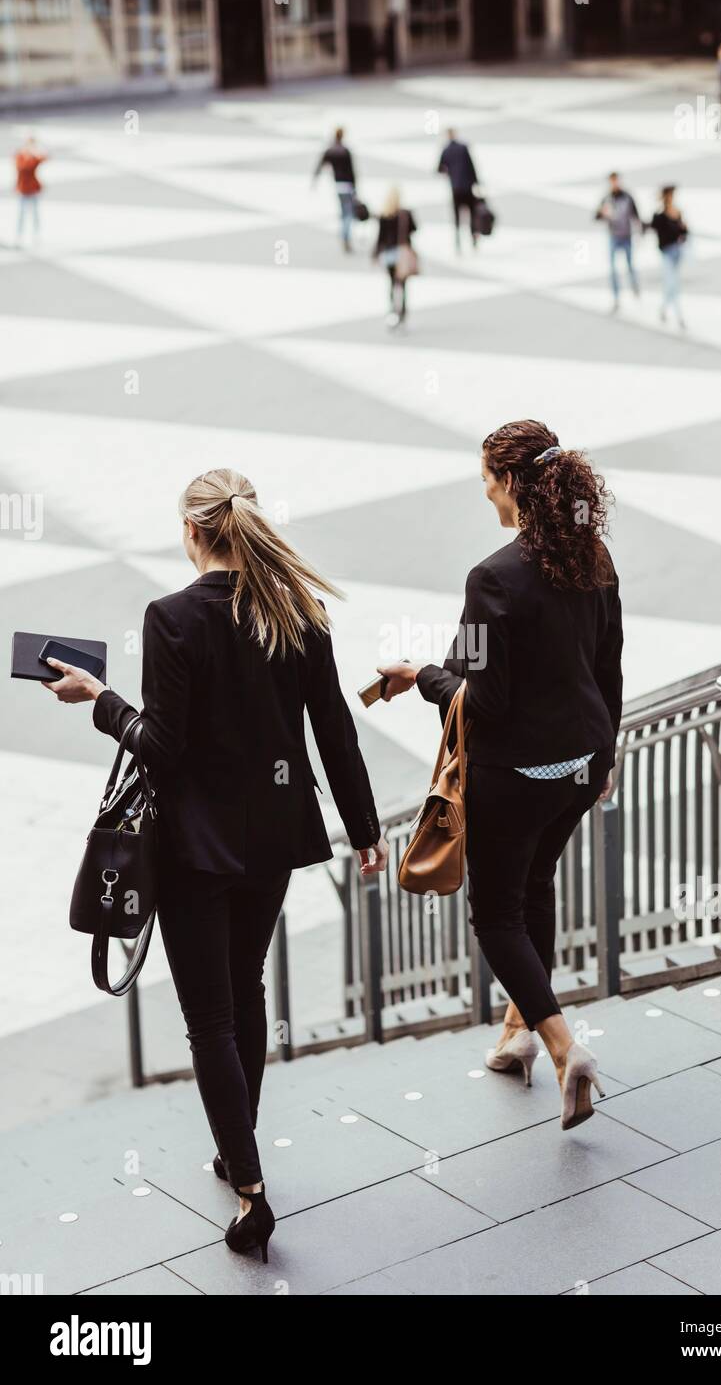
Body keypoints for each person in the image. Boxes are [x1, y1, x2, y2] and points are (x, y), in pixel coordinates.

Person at [43, 468, 388, 1263]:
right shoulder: (299, 611)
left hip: (196, 851)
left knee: (211, 1021)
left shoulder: (172, 618)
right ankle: (240, 1155)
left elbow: (162, 747)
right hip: (273, 841)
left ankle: (251, 1193)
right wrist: (364, 826)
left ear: (192, 531)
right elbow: (335, 730)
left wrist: (100, 699)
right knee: (248, 992)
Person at [378, 420, 623, 1132]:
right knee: (535, 886)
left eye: (487, 477)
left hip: (513, 779)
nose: (483, 490)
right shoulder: (594, 555)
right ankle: (517, 1037)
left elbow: (482, 699)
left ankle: (562, 1048)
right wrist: (603, 761)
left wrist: (420, 674)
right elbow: (608, 669)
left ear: (512, 483)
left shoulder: (493, 580)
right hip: (577, 769)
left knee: (495, 914)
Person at [595, 172, 643, 314]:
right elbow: (597, 216)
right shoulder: (606, 198)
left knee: (630, 265)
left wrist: (639, 232)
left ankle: (635, 287)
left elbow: (636, 216)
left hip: (626, 236)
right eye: (612, 181)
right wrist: (602, 213)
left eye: (616, 181)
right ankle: (616, 297)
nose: (614, 184)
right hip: (613, 237)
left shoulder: (627, 197)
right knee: (613, 269)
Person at [372, 187, 417, 330]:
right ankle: (402, 312)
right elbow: (414, 229)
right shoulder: (405, 214)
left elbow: (380, 238)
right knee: (402, 285)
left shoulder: (384, 215)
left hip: (388, 254)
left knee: (391, 283)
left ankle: (392, 309)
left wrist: (375, 254)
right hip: (402, 254)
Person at [647, 185, 688, 329]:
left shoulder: (677, 212)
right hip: (666, 253)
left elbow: (684, 234)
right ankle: (679, 315)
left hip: (677, 252)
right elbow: (652, 227)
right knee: (672, 283)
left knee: (672, 283)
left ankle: (663, 309)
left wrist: (683, 229)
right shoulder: (659, 215)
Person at [313, 127, 357, 253]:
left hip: (338, 185)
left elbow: (320, 165)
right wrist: (355, 188)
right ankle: (345, 236)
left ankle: (343, 234)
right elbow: (352, 171)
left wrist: (315, 181)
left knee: (343, 211)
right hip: (347, 185)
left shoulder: (330, 151)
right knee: (348, 213)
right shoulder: (345, 151)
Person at [437, 128, 479, 252]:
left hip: (455, 188)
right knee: (471, 213)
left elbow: (439, 168)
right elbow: (471, 166)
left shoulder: (446, 150)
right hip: (467, 187)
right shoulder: (463, 147)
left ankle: (458, 241)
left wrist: (449, 172)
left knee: (457, 216)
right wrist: (476, 182)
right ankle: (472, 239)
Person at [14, 135, 46, 246]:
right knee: (22, 214)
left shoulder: (33, 157)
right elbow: (23, 168)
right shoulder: (20, 156)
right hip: (23, 189)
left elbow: (45, 158)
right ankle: (19, 236)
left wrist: (36, 154)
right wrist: (31, 157)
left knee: (35, 214)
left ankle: (36, 236)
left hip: (33, 189)